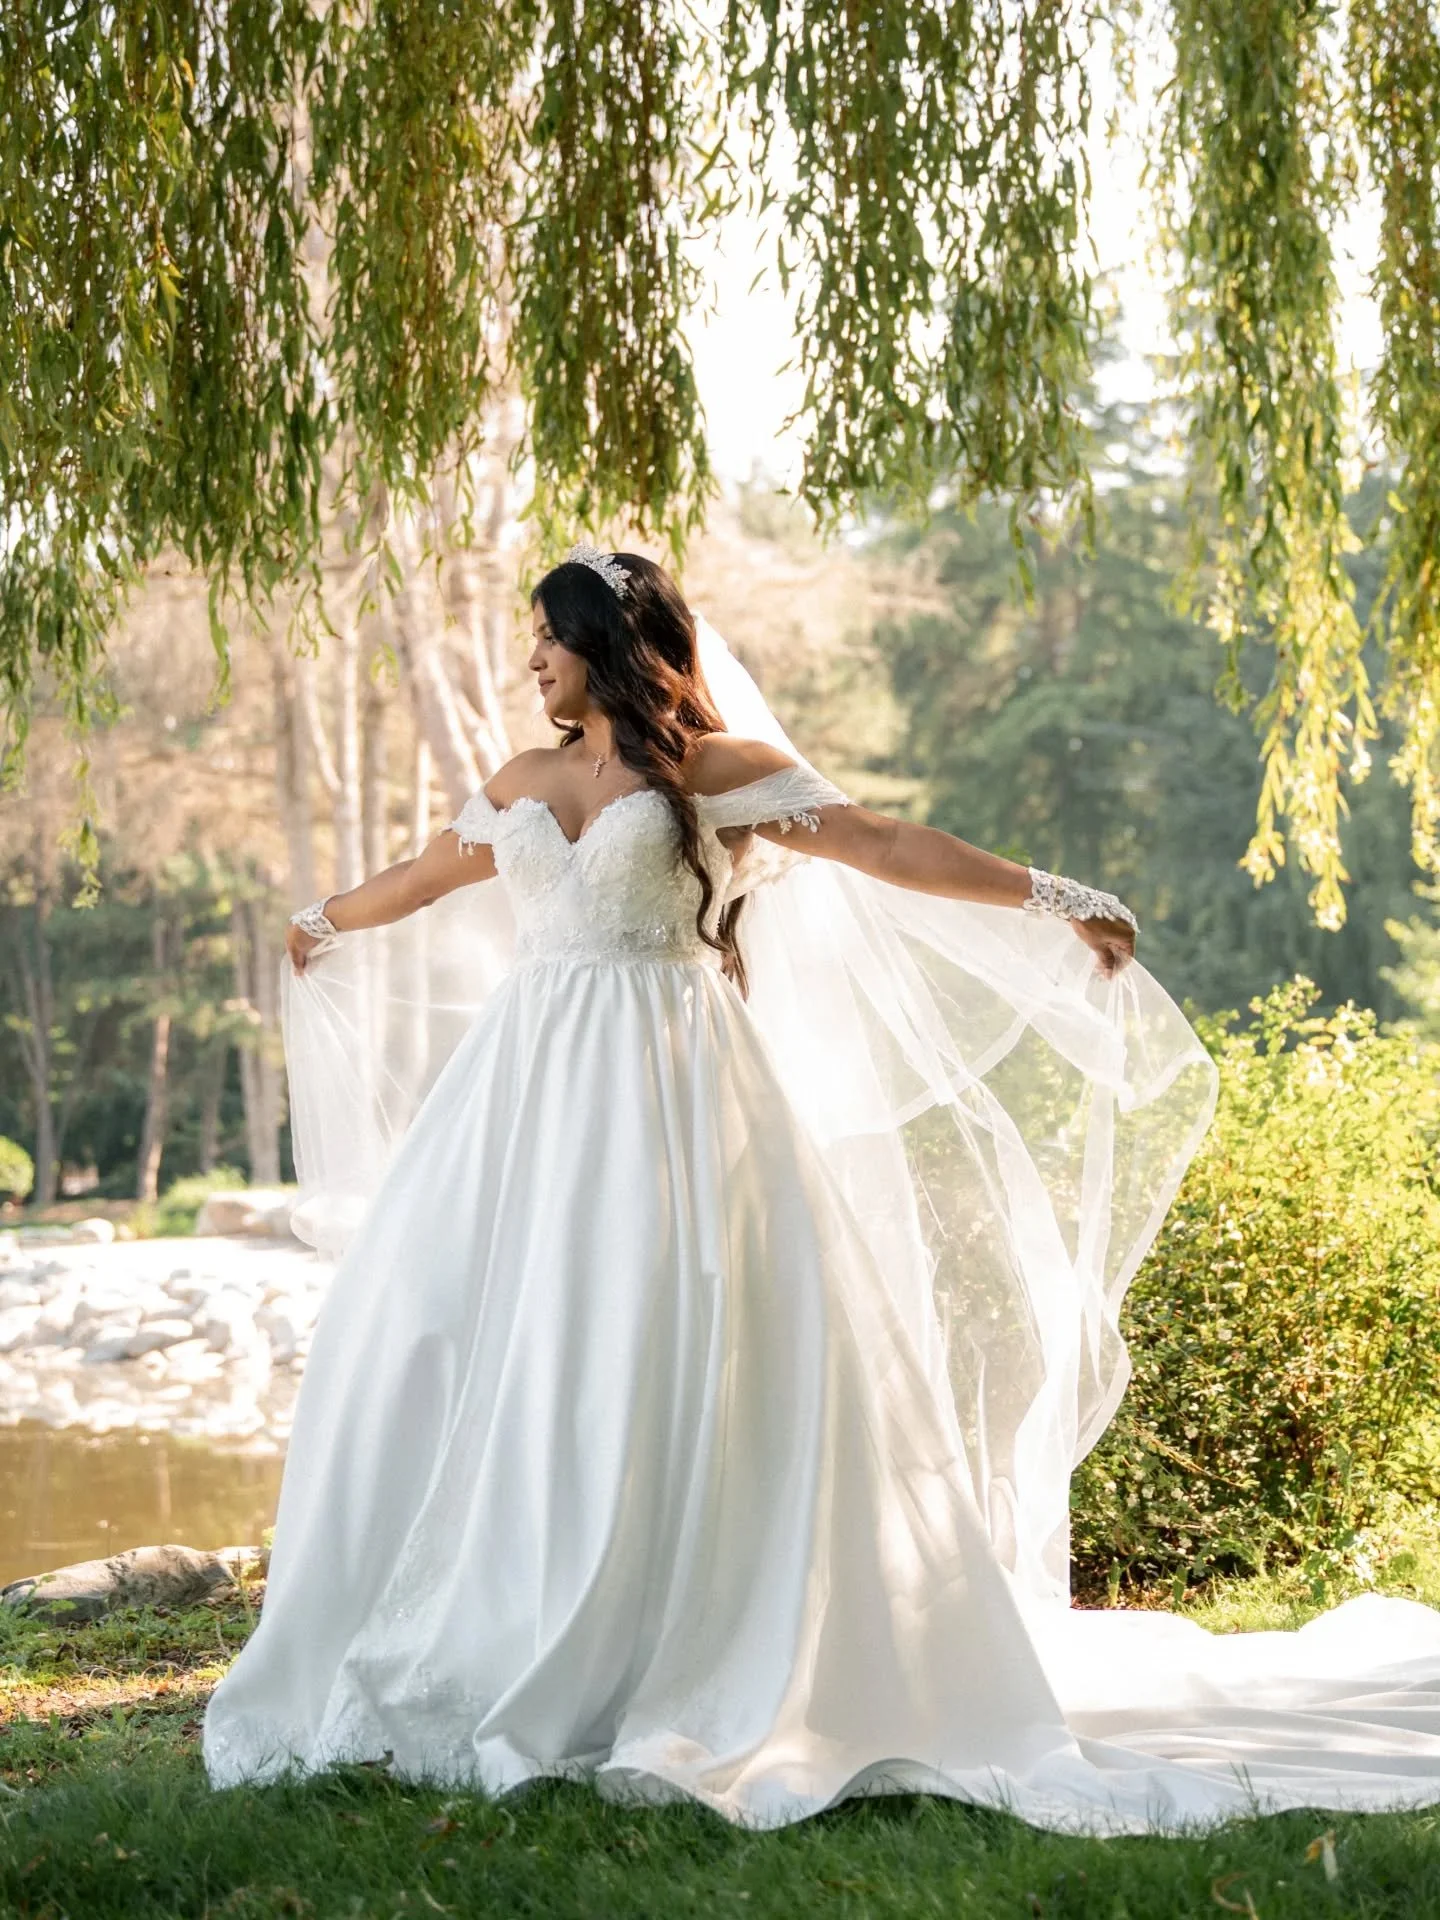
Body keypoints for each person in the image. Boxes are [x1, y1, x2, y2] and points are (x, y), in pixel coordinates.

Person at [203, 546, 1440, 1832]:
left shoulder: (712, 775)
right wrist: (324, 921)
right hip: (524, 1091)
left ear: (607, 643)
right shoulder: (522, 781)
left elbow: (882, 842)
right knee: (445, 1328)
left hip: (673, 1091)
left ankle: (678, 1634)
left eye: (547, 640)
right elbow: (424, 875)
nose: (531, 662)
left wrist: (1055, 895)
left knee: (664, 1340)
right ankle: (496, 1606)